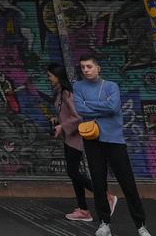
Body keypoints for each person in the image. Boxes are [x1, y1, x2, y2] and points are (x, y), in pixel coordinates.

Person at [72, 55, 151, 236]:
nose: (86, 70)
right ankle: (104, 223)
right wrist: (101, 106)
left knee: (128, 183)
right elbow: (80, 109)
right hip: (92, 141)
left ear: (98, 68)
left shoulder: (111, 86)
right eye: (83, 67)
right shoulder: (78, 87)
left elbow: (114, 107)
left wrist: (90, 104)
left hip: (114, 140)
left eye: (89, 66)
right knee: (99, 184)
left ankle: (140, 225)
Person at [47, 63, 116, 223]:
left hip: (75, 138)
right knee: (74, 173)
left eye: (50, 75)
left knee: (73, 172)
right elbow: (67, 114)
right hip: (69, 137)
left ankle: (106, 197)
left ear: (58, 76)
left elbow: (78, 116)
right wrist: (57, 119)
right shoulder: (60, 93)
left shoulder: (67, 93)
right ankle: (83, 210)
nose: (49, 79)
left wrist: (62, 126)